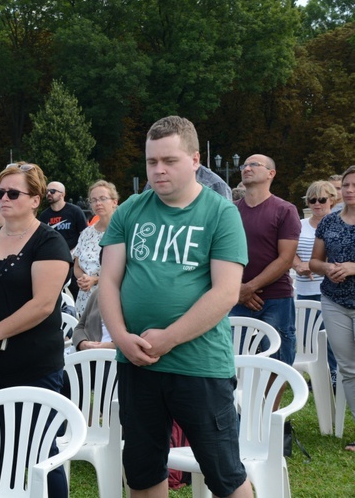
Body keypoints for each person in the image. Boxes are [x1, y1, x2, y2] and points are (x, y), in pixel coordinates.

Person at [99, 116, 251, 497]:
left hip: (198, 365)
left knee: (224, 473)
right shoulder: (130, 211)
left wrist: (168, 338)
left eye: (170, 160)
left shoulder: (221, 213)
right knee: (144, 471)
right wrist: (121, 339)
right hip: (136, 363)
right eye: (152, 162)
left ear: (195, 159)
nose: (159, 170)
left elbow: (225, 293)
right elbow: (109, 281)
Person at [0, 162, 72, 497]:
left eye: (13, 193)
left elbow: (43, 304)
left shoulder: (49, 242)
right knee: (0, 451)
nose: (3, 198)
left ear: (36, 199)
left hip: (33, 364)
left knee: (40, 451)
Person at [230, 154, 300, 366]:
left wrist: (249, 287)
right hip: (235, 299)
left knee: (278, 362)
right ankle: (238, 400)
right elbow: (219, 256)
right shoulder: (229, 211)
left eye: (254, 164)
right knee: (232, 362)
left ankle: (272, 401)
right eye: (245, 165)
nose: (247, 168)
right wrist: (237, 291)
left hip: (275, 299)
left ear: (271, 173)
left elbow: (286, 258)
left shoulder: (285, 210)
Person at [310, 165, 355, 452]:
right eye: (347, 185)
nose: (350, 190)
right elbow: (315, 262)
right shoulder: (329, 222)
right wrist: (328, 268)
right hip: (334, 301)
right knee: (348, 369)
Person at [294, 181, 339, 386]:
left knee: (330, 338)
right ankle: (316, 377)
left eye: (321, 199)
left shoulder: (338, 223)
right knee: (309, 338)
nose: (317, 204)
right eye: (312, 200)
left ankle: (334, 375)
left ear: (332, 200)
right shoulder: (299, 225)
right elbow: (288, 251)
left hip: (329, 288)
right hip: (304, 289)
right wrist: (297, 265)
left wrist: (312, 266)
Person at [72, 180, 119, 316]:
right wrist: (84, 279)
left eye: (103, 199)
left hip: (112, 300)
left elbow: (126, 269)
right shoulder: (87, 233)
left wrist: (95, 280)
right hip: (86, 299)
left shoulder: (123, 232)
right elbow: (77, 266)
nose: (98, 203)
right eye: (93, 200)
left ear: (114, 202)